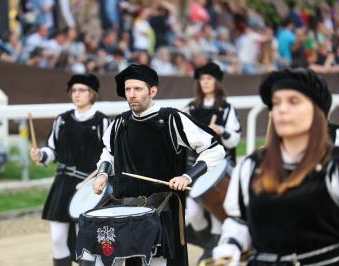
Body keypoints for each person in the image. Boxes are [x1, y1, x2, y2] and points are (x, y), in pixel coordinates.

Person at [89, 64, 226, 266]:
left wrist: (187, 177)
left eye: (138, 89)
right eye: (128, 89)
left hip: (162, 209)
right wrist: (102, 174)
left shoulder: (171, 118)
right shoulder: (119, 123)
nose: (132, 95)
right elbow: (108, 153)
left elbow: (215, 149)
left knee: (158, 262)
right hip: (126, 208)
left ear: (152, 91)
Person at [212, 68, 339, 266]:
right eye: (276, 102)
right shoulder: (251, 166)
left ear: (318, 111)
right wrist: (230, 246)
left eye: (293, 101)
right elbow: (240, 221)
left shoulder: (334, 166)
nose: (281, 109)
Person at [30, 74, 110, 266]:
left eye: (82, 90)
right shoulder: (62, 120)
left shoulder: (103, 122)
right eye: (73, 90)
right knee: (57, 238)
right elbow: (52, 150)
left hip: (89, 186)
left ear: (92, 94)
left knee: (85, 239)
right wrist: (41, 155)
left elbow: (109, 154)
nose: (76, 94)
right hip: (63, 183)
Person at [184, 62, 241, 262]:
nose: (205, 82)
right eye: (202, 79)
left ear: (216, 82)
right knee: (192, 211)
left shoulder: (226, 109)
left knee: (218, 210)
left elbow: (235, 139)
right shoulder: (191, 108)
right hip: (196, 167)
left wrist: (222, 130)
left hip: (220, 167)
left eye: (209, 79)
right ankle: (206, 241)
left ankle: (214, 245)